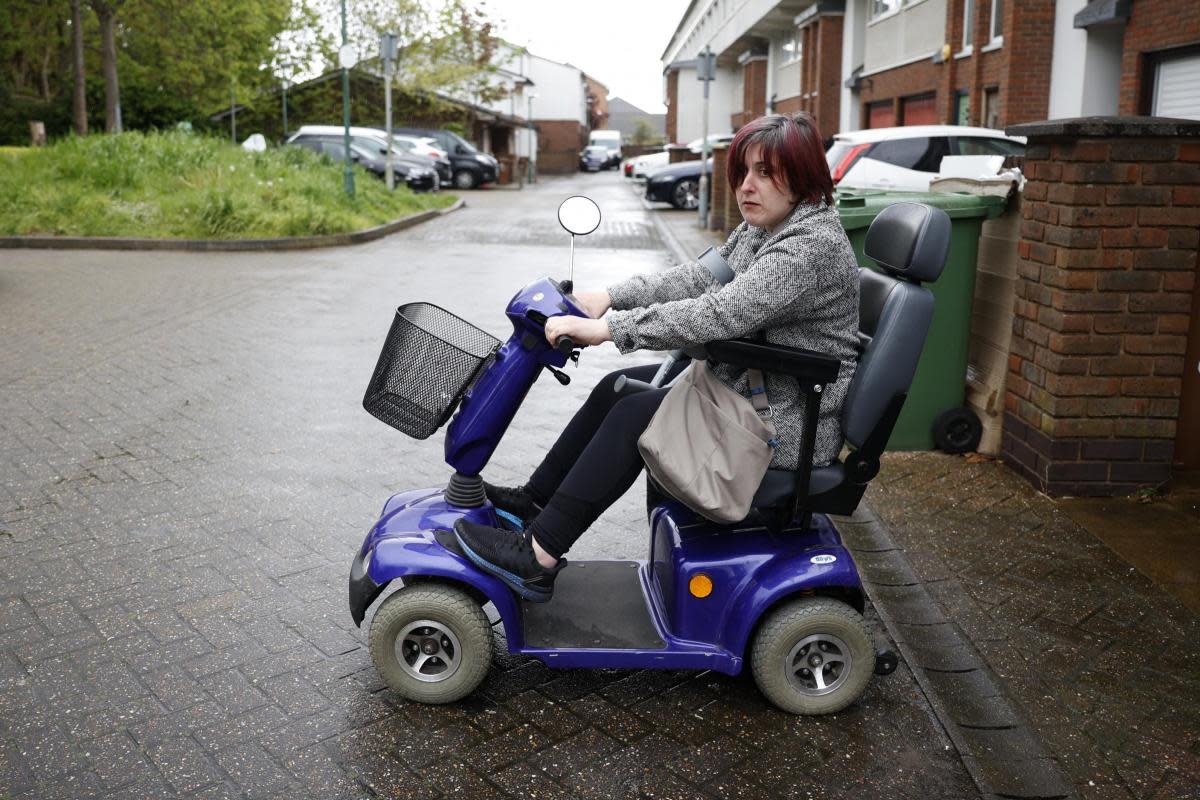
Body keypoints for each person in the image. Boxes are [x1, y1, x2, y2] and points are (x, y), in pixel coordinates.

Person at [454, 112, 861, 602]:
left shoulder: (808, 248)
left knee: (636, 416)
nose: (747, 186)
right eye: (744, 172)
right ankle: (533, 504)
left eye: (766, 173)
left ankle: (537, 557)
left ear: (802, 176)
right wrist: (608, 296)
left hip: (787, 421)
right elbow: (696, 279)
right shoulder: (767, 228)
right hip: (757, 390)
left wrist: (607, 330)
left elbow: (720, 313)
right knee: (618, 388)